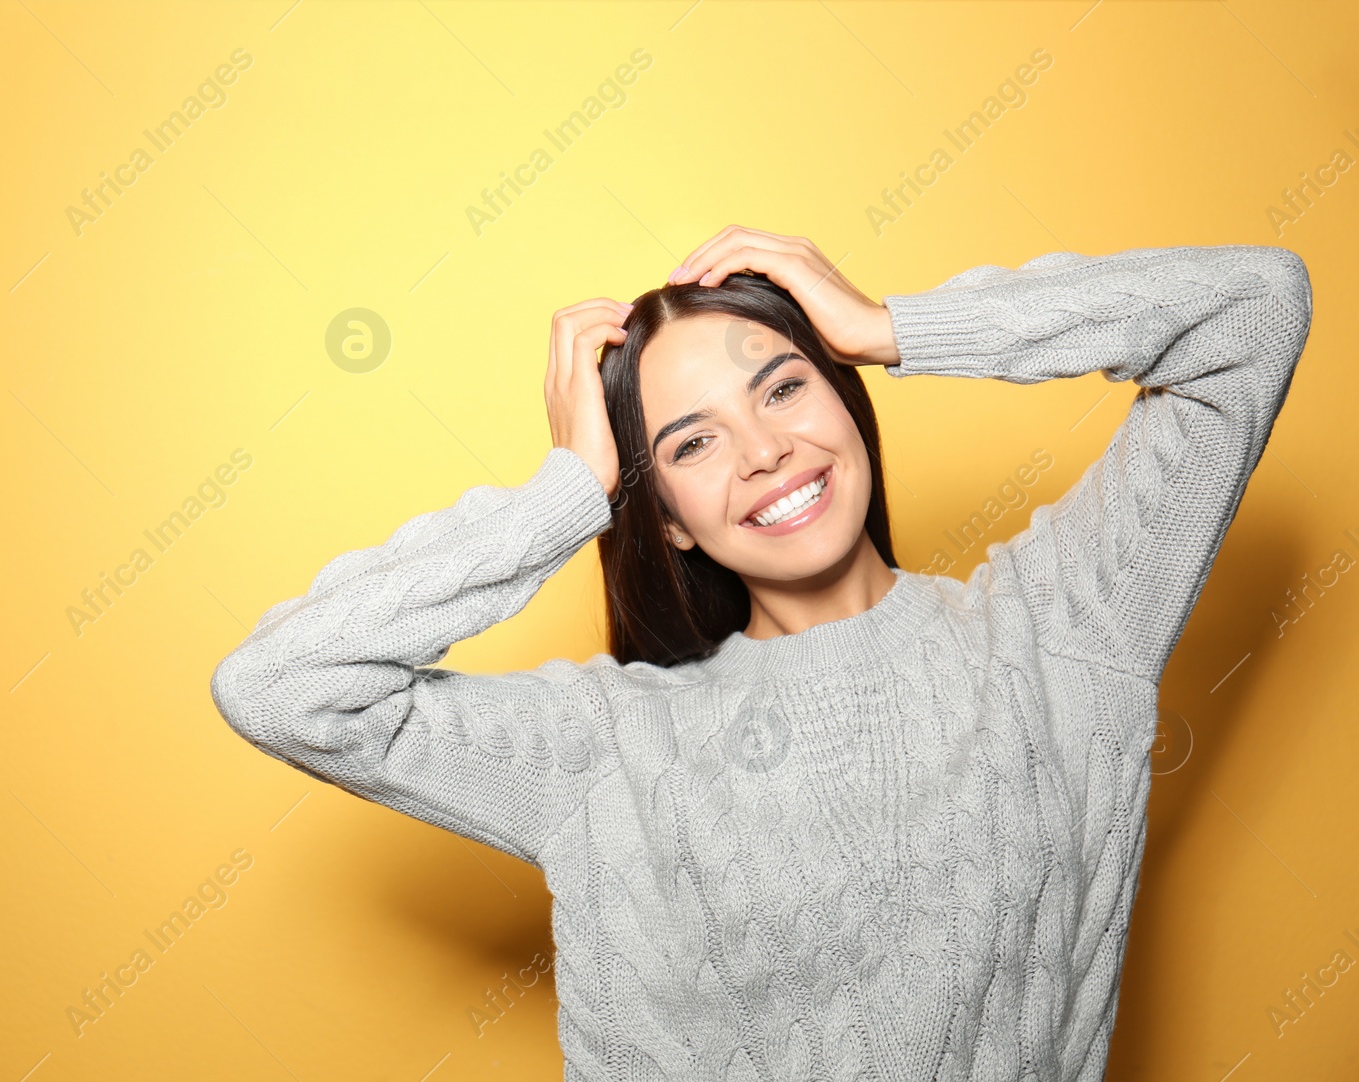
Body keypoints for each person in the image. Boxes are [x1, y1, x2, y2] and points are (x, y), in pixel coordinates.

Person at [210, 226, 1312, 1079]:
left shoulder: (1060, 627)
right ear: (669, 516)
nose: (765, 449)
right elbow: (281, 687)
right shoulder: (607, 745)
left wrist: (892, 324)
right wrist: (568, 492)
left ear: (843, 395)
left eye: (783, 385)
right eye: (691, 442)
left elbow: (1252, 307)